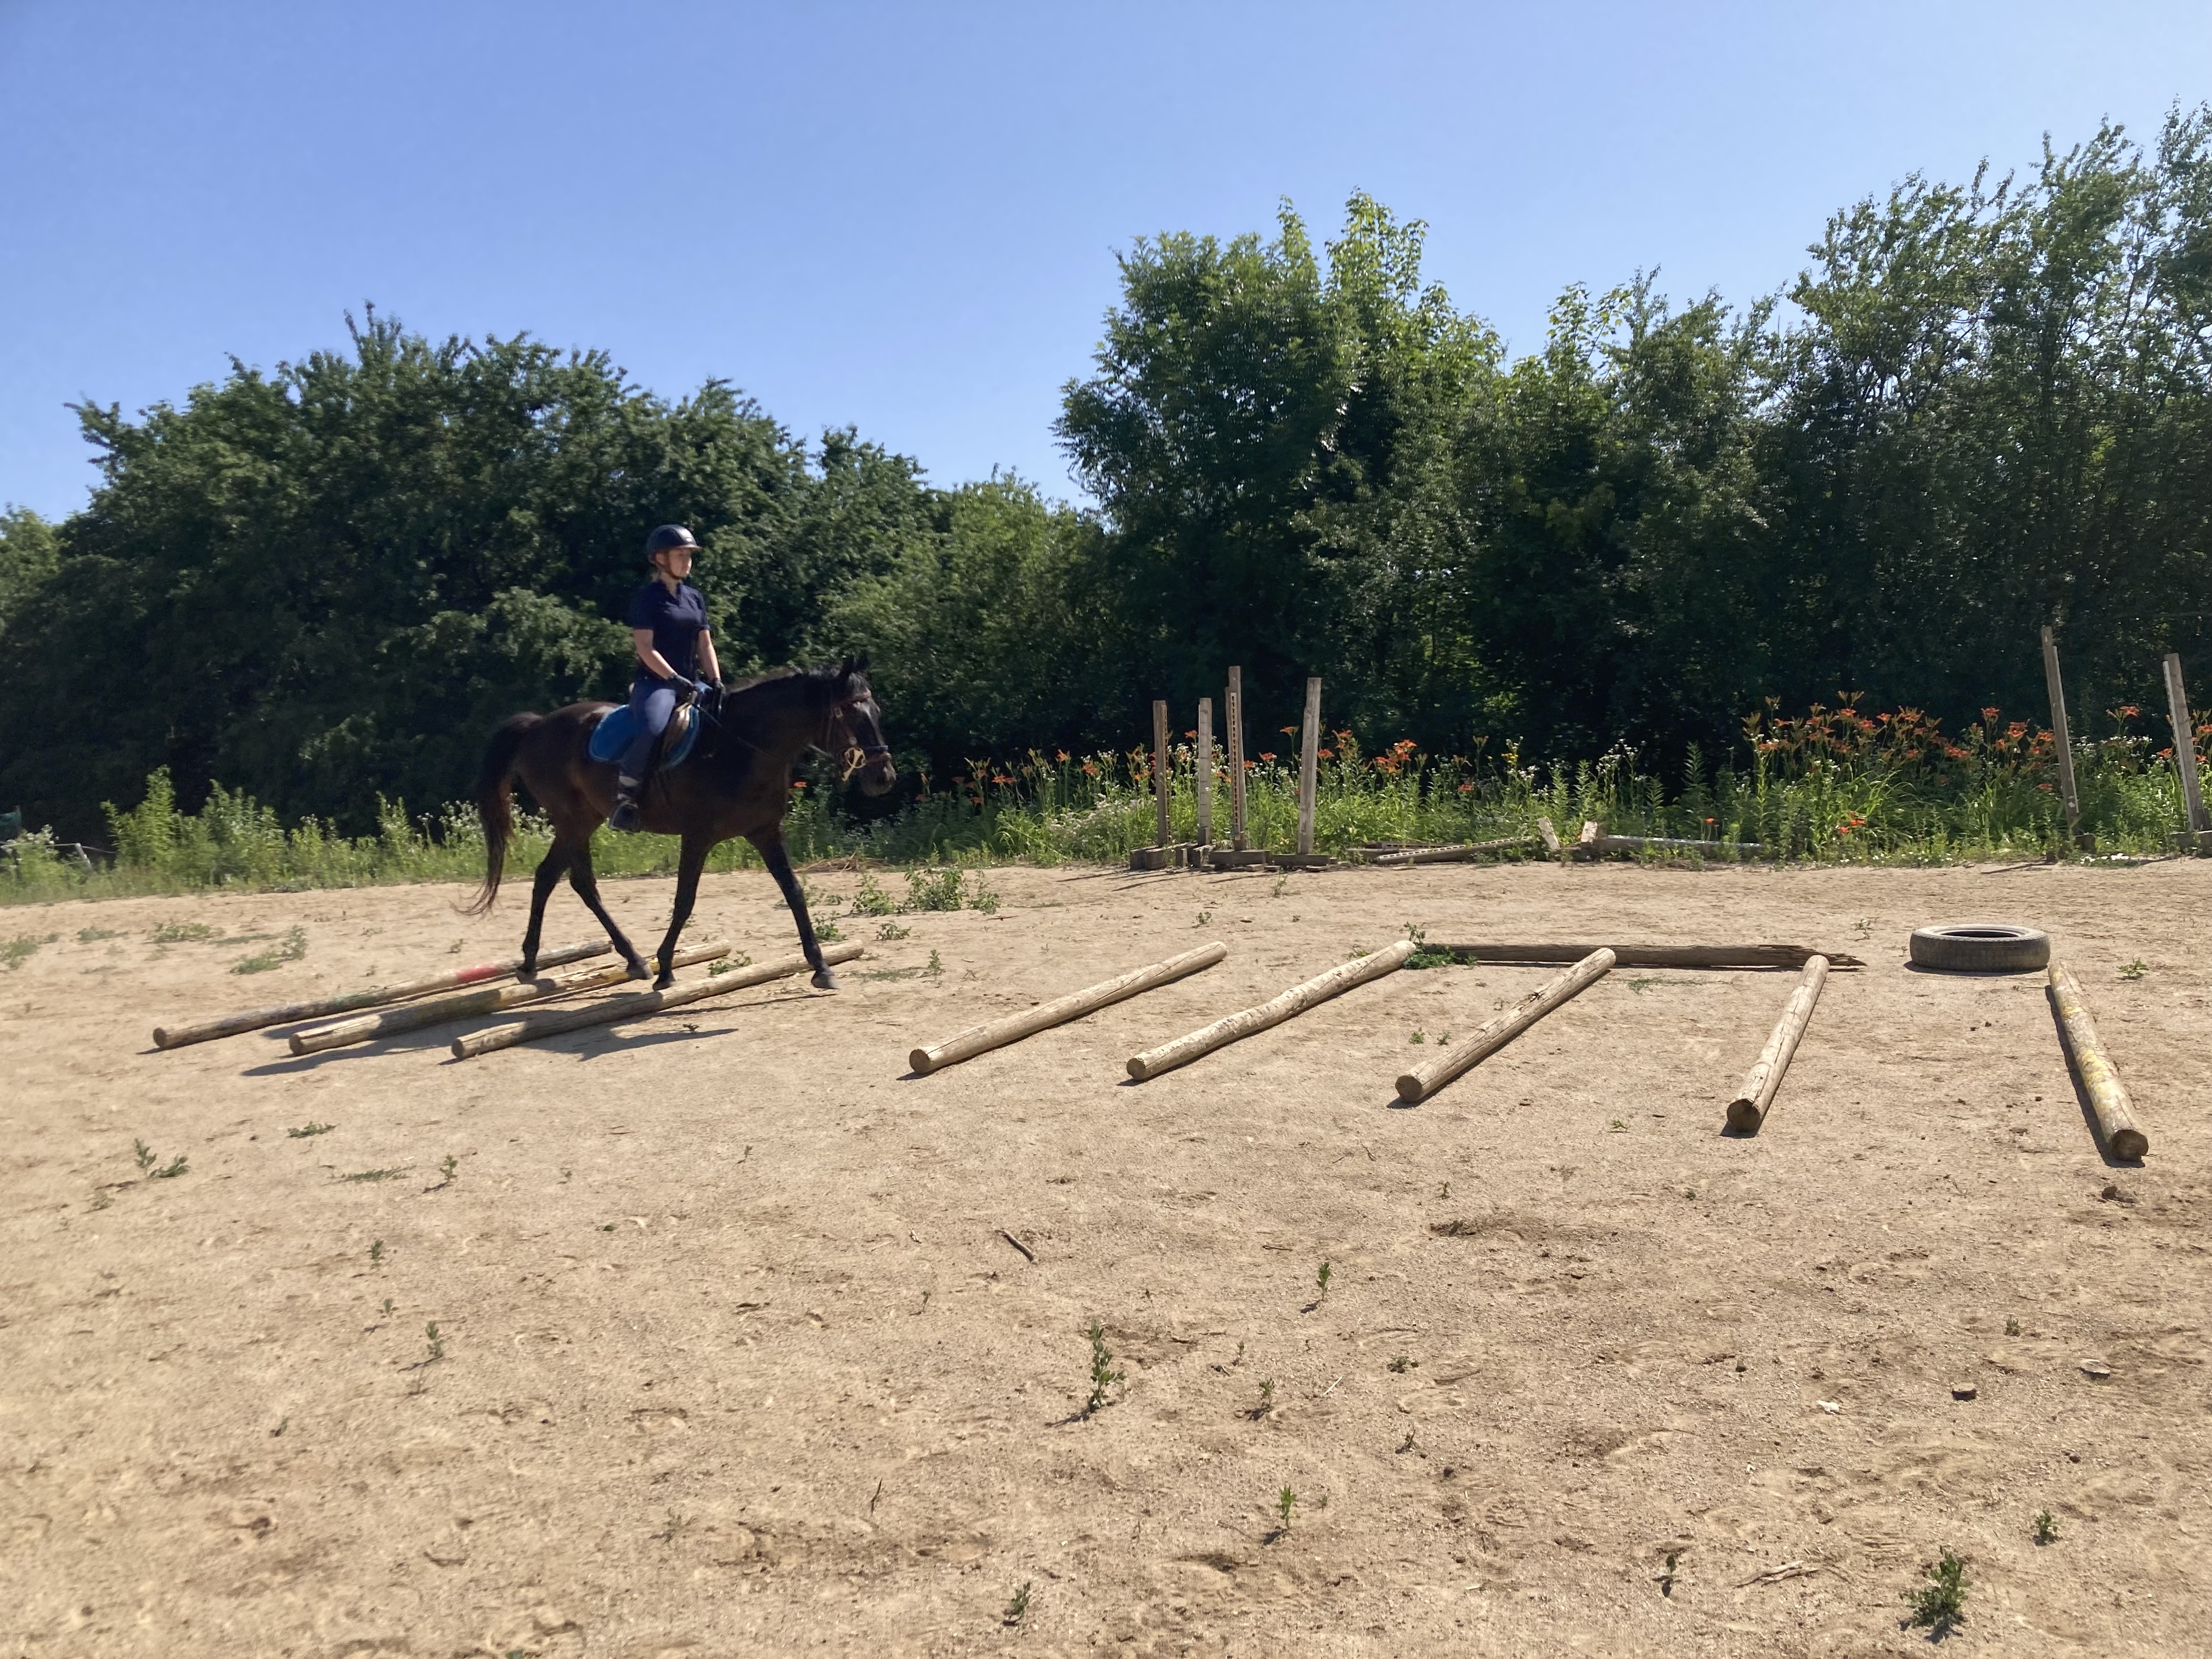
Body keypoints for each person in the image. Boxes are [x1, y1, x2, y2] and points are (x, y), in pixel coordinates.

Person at [610, 524, 721, 831]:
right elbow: (645, 648)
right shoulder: (648, 599)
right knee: (654, 726)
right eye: (680, 555)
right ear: (660, 558)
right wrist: (672, 678)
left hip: (693, 683)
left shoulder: (695, 598)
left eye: (689, 556)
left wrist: (716, 680)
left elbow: (705, 644)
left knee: (726, 717)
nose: (687, 561)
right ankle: (626, 798)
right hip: (656, 684)